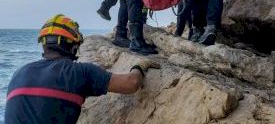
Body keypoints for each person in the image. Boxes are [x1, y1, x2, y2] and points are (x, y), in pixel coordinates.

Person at [5, 14, 160, 124]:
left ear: (44, 44)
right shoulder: (80, 72)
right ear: (73, 47)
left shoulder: (19, 74)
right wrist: (139, 66)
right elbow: (131, 83)